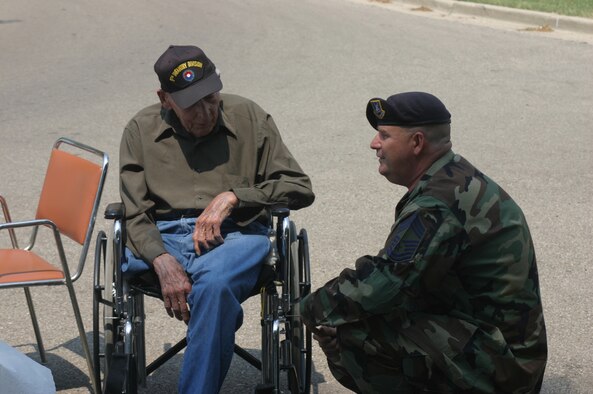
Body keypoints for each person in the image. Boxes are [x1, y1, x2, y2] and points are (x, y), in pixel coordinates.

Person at [300, 92, 547, 393]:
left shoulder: (438, 202)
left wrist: (310, 308)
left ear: (417, 143)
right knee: (365, 312)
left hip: (503, 368)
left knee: (351, 328)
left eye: (384, 135)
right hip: (499, 347)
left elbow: (385, 281)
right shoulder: (452, 175)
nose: (374, 144)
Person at [119, 45, 315, 394]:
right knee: (216, 293)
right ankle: (219, 316)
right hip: (162, 239)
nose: (206, 111)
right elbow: (135, 211)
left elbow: (299, 187)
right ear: (165, 99)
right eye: (191, 104)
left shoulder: (250, 117)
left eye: (211, 97)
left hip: (237, 236)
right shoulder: (140, 129)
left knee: (214, 284)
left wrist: (236, 197)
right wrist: (162, 261)